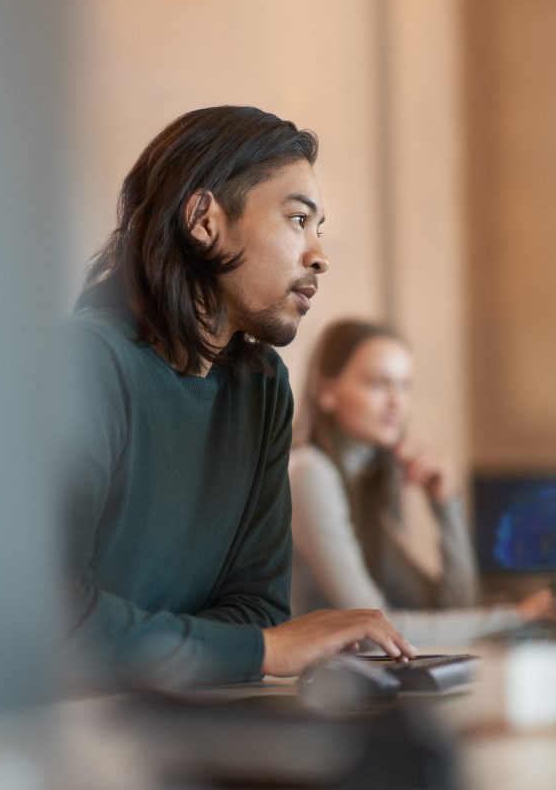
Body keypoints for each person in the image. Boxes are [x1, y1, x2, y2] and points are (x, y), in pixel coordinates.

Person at [60, 106, 416, 688]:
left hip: (183, 721)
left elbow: (257, 611)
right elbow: (52, 617)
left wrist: (235, 647)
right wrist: (256, 651)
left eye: (319, 228)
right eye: (298, 219)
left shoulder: (262, 389)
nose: (319, 255)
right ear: (204, 219)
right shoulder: (85, 363)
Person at [288, 318, 554, 645]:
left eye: (404, 385)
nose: (397, 402)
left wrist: (447, 506)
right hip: (298, 688)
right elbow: (374, 631)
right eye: (377, 384)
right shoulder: (309, 473)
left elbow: (452, 609)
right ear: (327, 392)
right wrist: (516, 616)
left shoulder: (358, 487)